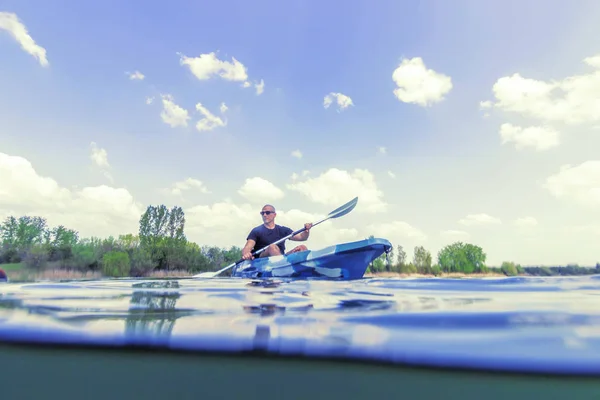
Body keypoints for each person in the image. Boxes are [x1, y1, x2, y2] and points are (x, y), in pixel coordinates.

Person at [241, 204, 313, 260]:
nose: (265, 215)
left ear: (274, 215)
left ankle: (299, 268)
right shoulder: (256, 231)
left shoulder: (283, 230)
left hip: (281, 257)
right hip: (262, 260)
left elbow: (302, 237)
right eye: (262, 213)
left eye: (267, 213)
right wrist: (246, 254)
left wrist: (306, 230)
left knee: (302, 248)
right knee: (272, 247)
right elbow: (248, 247)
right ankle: (282, 264)